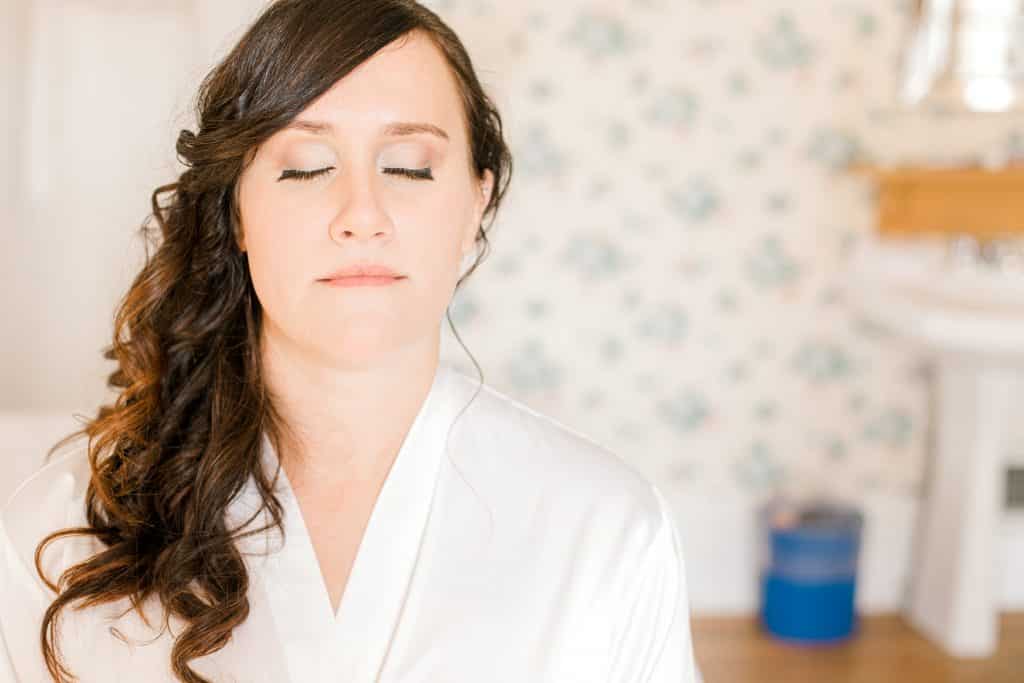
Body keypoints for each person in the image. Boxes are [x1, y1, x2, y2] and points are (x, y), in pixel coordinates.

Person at [0, 1, 699, 681]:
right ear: (236, 212)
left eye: (409, 167)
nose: (361, 216)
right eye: (305, 166)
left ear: (473, 206)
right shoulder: (59, 537)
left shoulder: (608, 531)